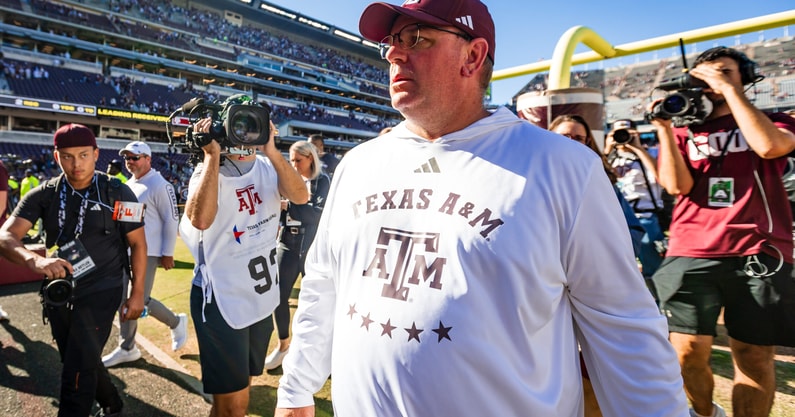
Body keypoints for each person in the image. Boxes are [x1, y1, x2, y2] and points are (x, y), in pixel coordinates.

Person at [274, 1, 688, 416]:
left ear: (473, 55)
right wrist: (296, 389)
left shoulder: (564, 167)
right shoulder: (359, 163)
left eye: (416, 38)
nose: (395, 54)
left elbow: (624, 329)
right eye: (391, 42)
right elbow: (324, 284)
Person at [650, 46, 795, 417]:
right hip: (691, 247)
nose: (712, 81)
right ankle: (704, 412)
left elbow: (769, 146)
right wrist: (665, 130)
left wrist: (729, 90)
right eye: (705, 75)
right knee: (686, 351)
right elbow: (675, 186)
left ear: (745, 76)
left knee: (753, 354)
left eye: (725, 72)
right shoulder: (686, 131)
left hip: (758, 249)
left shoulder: (775, 119)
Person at [0, 123, 147, 417]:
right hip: (60, 290)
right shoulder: (45, 194)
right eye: (67, 156)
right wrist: (36, 261)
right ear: (57, 158)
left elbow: (138, 244)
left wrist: (138, 293)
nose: (76, 164)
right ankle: (112, 403)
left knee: (76, 372)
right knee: (76, 356)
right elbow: (5, 236)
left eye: (83, 155)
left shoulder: (118, 191)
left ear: (96, 154)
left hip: (104, 288)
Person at [180, 117, 308, 417]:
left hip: (259, 298)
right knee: (233, 407)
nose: (245, 131)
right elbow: (199, 220)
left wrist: (273, 150)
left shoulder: (268, 167)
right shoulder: (208, 171)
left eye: (252, 123)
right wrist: (212, 156)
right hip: (223, 300)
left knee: (241, 391)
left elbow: (301, 196)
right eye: (238, 123)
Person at [102, 141, 188, 368]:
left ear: (148, 159)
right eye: (127, 158)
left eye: (135, 157)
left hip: (148, 252)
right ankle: (127, 347)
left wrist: (168, 253)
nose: (130, 162)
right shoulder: (129, 184)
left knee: (141, 299)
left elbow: (171, 219)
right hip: (125, 251)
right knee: (124, 300)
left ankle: (175, 321)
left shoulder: (160, 184)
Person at [264, 140, 331, 370]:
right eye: (290, 160)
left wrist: (290, 205)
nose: (293, 165)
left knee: (315, 302)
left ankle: (316, 353)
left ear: (310, 158)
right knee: (278, 297)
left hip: (311, 245)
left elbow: (316, 217)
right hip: (286, 243)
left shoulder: (323, 181)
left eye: (298, 160)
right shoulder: (285, 179)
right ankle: (284, 346)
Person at [549, 114, 645, 259]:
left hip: (593, 267)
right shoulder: (533, 177)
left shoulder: (601, 181)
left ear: (587, 141)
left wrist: (609, 257)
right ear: (549, 137)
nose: (571, 142)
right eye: (564, 136)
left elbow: (632, 230)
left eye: (578, 138)